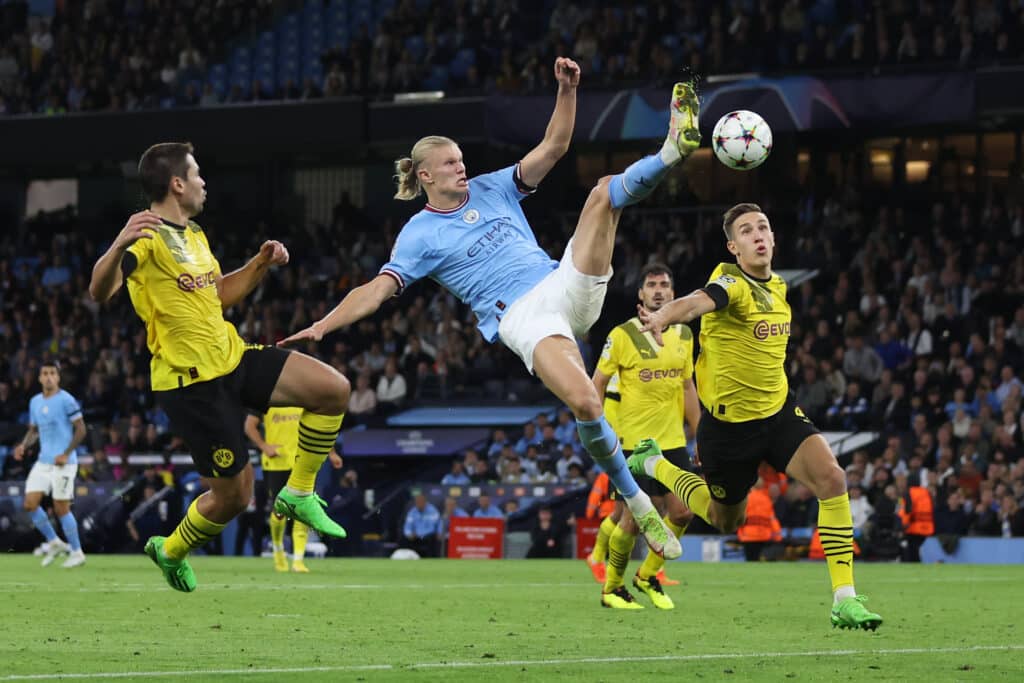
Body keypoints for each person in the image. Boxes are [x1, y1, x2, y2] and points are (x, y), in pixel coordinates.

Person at [280, 61, 703, 560]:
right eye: (452, 162)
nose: (462, 166)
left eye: (462, 158)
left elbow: (555, 147)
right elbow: (376, 291)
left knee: (601, 193)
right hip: (524, 318)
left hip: (562, 282)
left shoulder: (492, 186)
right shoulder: (418, 234)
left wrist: (567, 90)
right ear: (425, 175)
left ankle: (672, 150)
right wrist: (324, 324)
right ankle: (638, 502)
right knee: (586, 405)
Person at [88, 142, 351, 592]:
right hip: (192, 386)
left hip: (232, 358)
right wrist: (117, 244)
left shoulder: (194, 236)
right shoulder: (146, 238)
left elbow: (220, 295)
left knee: (333, 389)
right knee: (234, 497)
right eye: (196, 174)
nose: (203, 182)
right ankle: (169, 550)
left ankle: (300, 491)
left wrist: (259, 263)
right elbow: (100, 290)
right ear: (176, 184)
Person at [628, 203, 884, 630]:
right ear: (734, 247)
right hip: (729, 430)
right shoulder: (731, 281)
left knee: (833, 479)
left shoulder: (780, 287)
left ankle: (844, 598)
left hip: (779, 413)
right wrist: (662, 316)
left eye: (763, 226)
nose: (758, 234)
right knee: (727, 520)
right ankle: (655, 463)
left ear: (773, 238)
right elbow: (697, 302)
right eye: (746, 231)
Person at [590, 263, 701, 610]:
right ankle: (612, 588)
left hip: (673, 442)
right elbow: (597, 384)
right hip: (634, 444)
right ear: (640, 293)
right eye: (651, 285)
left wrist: (702, 436)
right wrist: (599, 432)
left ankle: (648, 575)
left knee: (684, 512)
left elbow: (688, 387)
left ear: (673, 293)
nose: (658, 290)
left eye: (664, 285)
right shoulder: (622, 335)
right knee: (634, 519)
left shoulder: (684, 334)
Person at [245, 408, 342, 573]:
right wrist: (264, 446)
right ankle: (278, 549)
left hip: (301, 461)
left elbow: (321, 427)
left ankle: (298, 559)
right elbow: (249, 426)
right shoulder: (269, 398)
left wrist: (332, 453)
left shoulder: (305, 397)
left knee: (302, 507)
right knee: (279, 510)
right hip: (276, 462)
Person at [12, 361, 88, 568]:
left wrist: (65, 454)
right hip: (44, 462)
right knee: (29, 503)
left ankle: (77, 552)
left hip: (64, 463)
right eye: (44, 373)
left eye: (52, 373)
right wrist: (23, 445)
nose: (48, 377)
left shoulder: (66, 400)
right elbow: (34, 430)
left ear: (58, 377)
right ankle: (54, 541)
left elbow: (81, 429)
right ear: (39, 378)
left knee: (61, 508)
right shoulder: (35, 401)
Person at [402, 490, 440, 557]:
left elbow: (433, 527)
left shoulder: (432, 510)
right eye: (417, 502)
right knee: (405, 539)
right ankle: (408, 557)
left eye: (421, 502)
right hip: (415, 537)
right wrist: (409, 534)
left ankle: (430, 558)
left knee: (431, 538)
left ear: (425, 502)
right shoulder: (412, 512)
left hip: (428, 535)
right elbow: (407, 526)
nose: (419, 504)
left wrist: (420, 534)